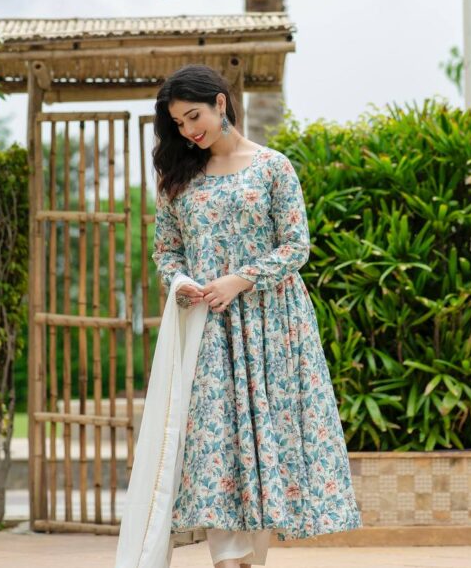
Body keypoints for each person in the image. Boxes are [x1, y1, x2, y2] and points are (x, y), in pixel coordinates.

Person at [151, 64, 361, 568]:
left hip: (273, 326)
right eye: (178, 123)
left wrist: (239, 279)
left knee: (268, 440)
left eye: (194, 116)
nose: (188, 130)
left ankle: (252, 561)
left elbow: (296, 246)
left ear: (221, 103)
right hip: (208, 330)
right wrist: (181, 283)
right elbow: (166, 251)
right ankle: (227, 560)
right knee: (215, 443)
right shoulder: (179, 179)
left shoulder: (272, 167)